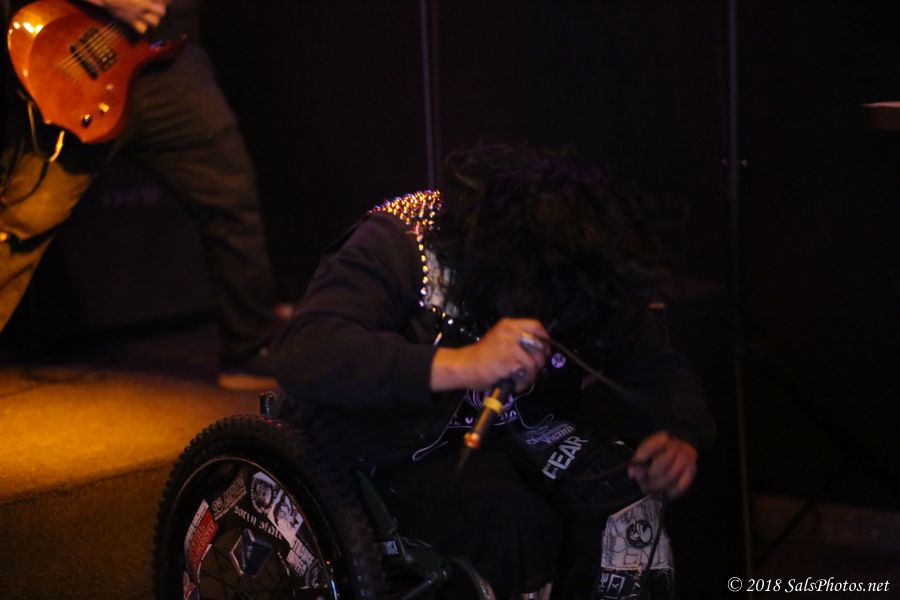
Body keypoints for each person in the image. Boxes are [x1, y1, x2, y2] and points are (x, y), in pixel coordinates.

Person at [274, 143, 715, 599]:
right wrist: (466, 363)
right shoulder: (403, 240)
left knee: (622, 490)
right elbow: (308, 352)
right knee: (509, 520)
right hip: (392, 444)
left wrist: (678, 431)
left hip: (513, 435)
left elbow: (655, 365)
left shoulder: (576, 269)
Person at [0, 0, 277, 388]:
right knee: (22, 222)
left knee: (232, 200)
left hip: (170, 64)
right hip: (75, 51)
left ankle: (248, 350)